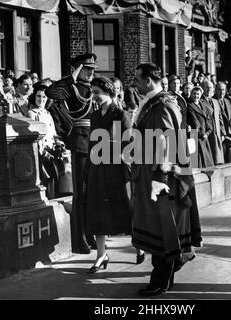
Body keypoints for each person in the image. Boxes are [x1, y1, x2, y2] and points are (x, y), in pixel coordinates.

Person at [131, 63, 200, 296]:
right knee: (162, 229)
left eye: (138, 80)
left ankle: (161, 279)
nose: (136, 84)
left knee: (164, 230)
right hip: (153, 174)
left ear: (149, 80)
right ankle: (166, 277)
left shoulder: (162, 105)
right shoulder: (157, 103)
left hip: (161, 179)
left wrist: (159, 177)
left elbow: (167, 143)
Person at [85, 76, 143, 273]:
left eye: (96, 93)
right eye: (92, 93)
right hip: (97, 170)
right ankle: (101, 255)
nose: (93, 97)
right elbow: (92, 144)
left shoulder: (121, 114)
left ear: (108, 92)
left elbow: (130, 141)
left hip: (116, 171)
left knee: (125, 211)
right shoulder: (94, 116)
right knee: (97, 212)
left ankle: (139, 246)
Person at [46, 53, 98, 254]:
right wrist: (72, 77)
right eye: (87, 68)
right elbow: (51, 92)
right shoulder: (71, 88)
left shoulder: (93, 88)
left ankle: (91, 234)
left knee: (92, 192)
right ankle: (79, 240)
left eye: (93, 68)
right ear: (77, 69)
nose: (91, 72)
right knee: (81, 193)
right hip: (80, 142)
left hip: (96, 141)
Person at [27, 85, 58, 199]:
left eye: (44, 97)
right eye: (39, 96)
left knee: (52, 179)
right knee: (44, 178)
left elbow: (53, 133)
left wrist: (58, 144)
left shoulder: (48, 114)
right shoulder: (32, 113)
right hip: (40, 151)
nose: (41, 99)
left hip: (51, 150)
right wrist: (42, 150)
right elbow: (35, 134)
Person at [187, 86, 214, 169]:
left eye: (198, 94)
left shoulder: (203, 104)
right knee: (199, 160)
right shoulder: (190, 105)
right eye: (194, 94)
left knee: (207, 160)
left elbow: (208, 119)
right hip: (197, 136)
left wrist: (208, 132)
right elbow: (195, 121)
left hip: (204, 135)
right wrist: (202, 134)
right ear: (191, 94)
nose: (196, 96)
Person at [201, 79, 225, 165]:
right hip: (207, 133)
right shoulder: (200, 101)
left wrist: (222, 133)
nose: (209, 89)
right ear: (202, 88)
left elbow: (220, 118)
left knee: (218, 159)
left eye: (211, 88)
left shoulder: (215, 101)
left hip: (217, 133)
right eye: (206, 87)